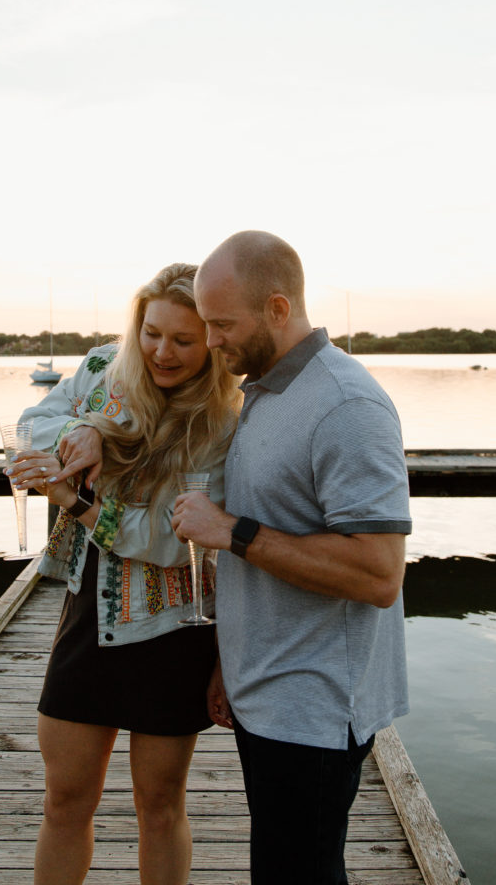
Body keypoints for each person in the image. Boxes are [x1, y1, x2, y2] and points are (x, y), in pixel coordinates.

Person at [172, 231, 412, 885]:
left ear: (278, 309)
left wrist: (231, 531)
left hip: (315, 706)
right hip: (265, 690)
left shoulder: (345, 404)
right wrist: (230, 658)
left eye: (222, 324)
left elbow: (377, 574)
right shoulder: (265, 390)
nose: (211, 339)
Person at [5, 262, 241, 885]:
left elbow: (170, 542)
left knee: (159, 808)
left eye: (183, 340)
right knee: (63, 801)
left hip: (173, 626)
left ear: (212, 343)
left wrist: (79, 506)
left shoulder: (221, 424)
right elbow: (33, 424)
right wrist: (82, 429)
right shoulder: (100, 367)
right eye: (152, 332)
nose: (162, 352)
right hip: (89, 613)